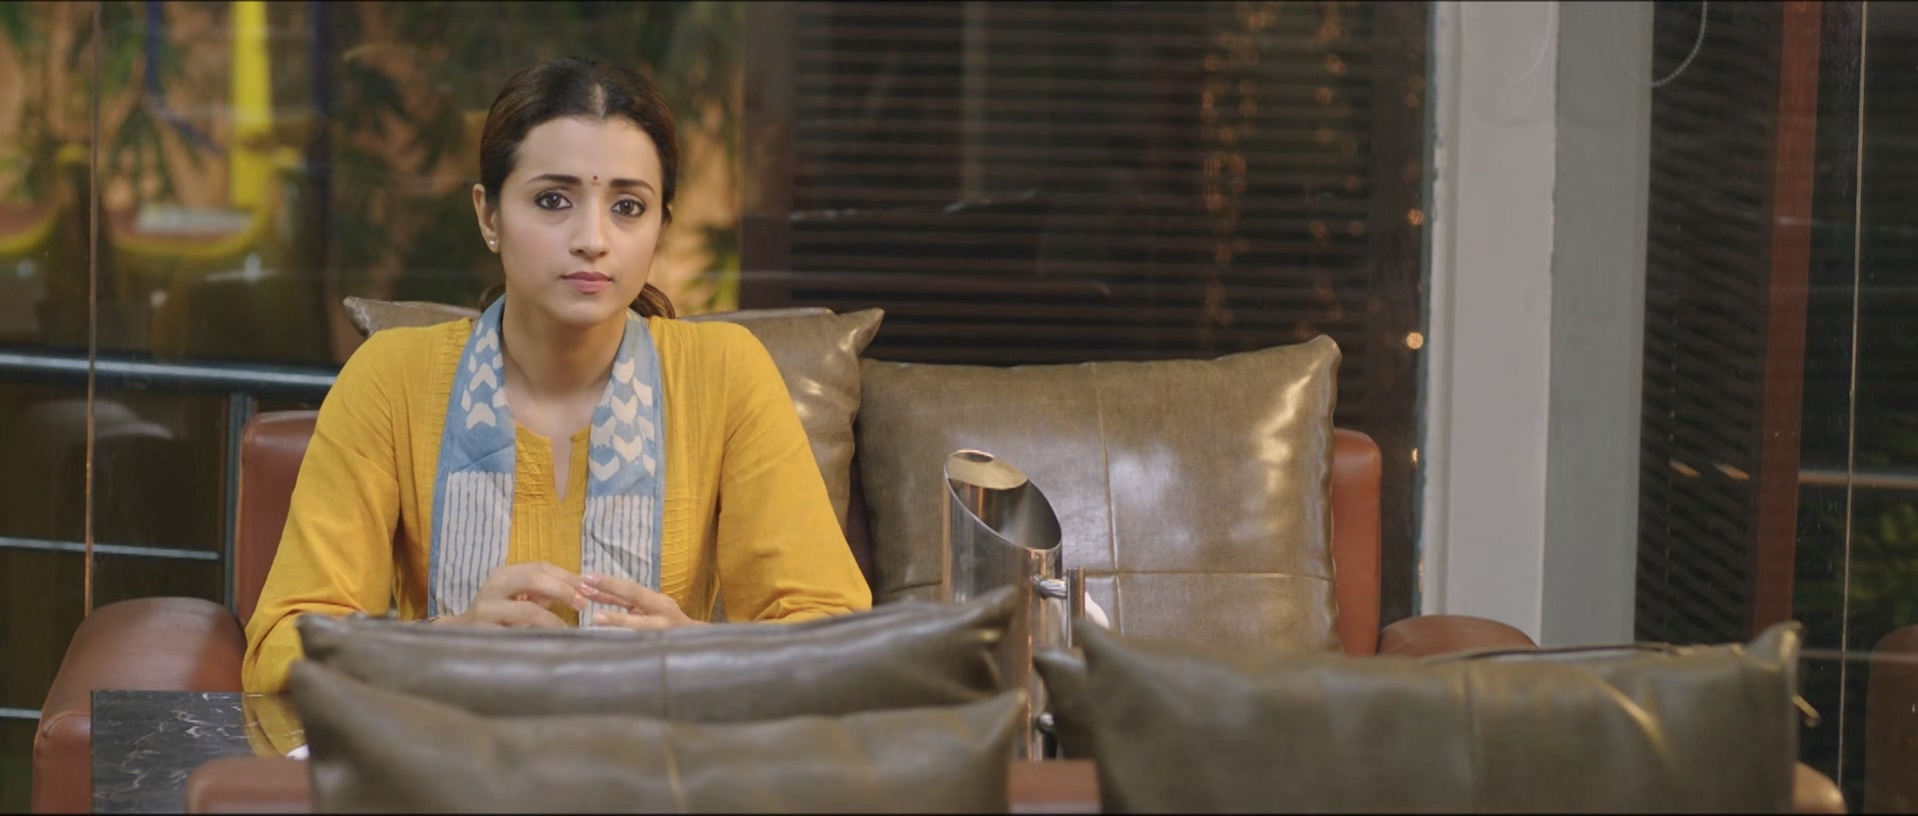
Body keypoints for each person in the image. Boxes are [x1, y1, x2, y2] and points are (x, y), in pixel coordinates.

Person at [242, 57, 871, 693]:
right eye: (553, 200)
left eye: (628, 206)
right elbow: (283, 645)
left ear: (661, 225)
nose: (593, 238)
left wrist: (697, 652)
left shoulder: (725, 374)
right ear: (488, 216)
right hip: (447, 744)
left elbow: (835, 640)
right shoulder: (391, 377)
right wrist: (444, 642)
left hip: (658, 746)